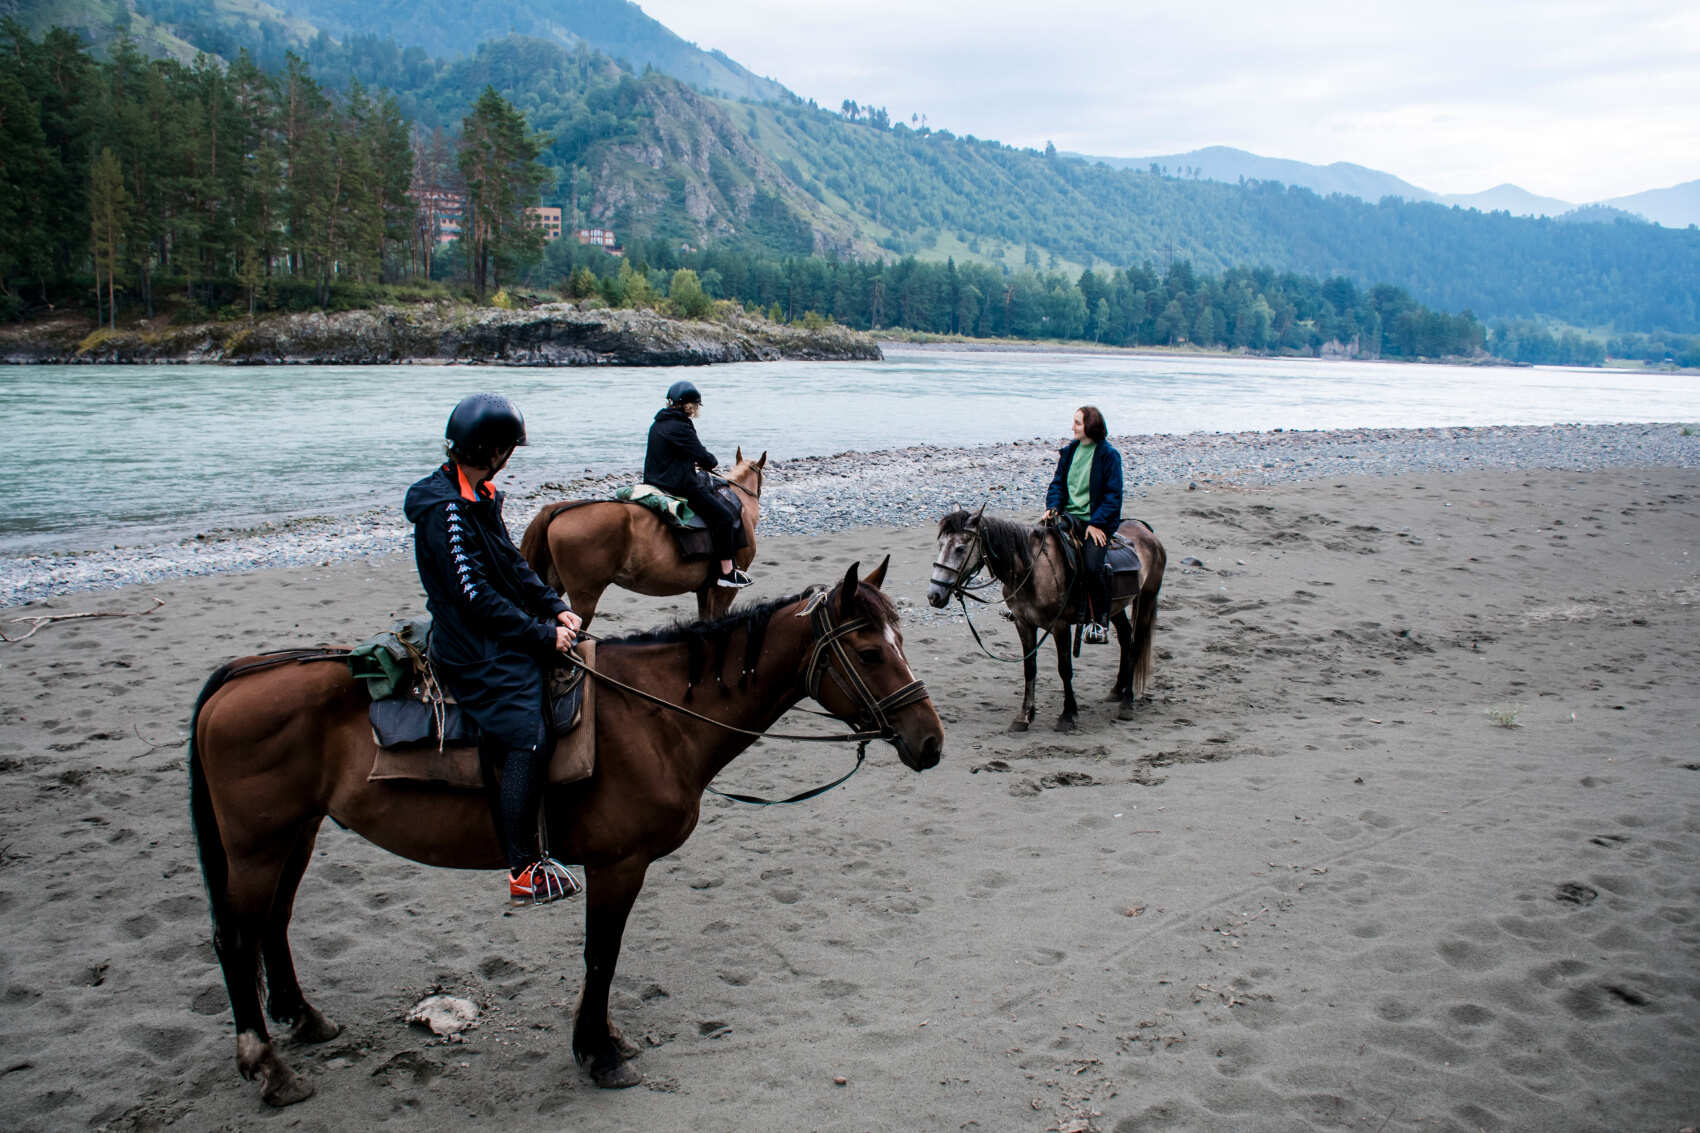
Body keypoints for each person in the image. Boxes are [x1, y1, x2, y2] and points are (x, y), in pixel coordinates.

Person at [404, 393, 585, 906]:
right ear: (493, 451)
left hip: (489, 628)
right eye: (507, 449)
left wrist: (553, 606)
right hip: (470, 646)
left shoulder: (477, 494)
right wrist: (540, 634)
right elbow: (475, 597)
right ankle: (523, 869)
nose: (508, 458)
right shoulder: (446, 511)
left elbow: (510, 563)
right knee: (529, 736)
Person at [643, 380, 752, 588]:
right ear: (689, 405)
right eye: (695, 405)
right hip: (678, 486)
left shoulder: (658, 423)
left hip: (653, 482)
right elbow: (706, 459)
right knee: (724, 517)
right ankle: (727, 573)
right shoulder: (681, 426)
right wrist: (709, 461)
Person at [1044, 405, 1124, 644]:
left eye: (1077, 423)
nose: (1073, 427)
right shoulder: (1070, 451)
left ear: (1091, 425)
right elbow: (1057, 484)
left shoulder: (1109, 455)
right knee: (1034, 546)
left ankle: (1099, 622)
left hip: (1095, 523)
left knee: (1092, 566)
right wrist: (1053, 507)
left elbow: (1113, 496)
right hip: (1068, 517)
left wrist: (1097, 523)